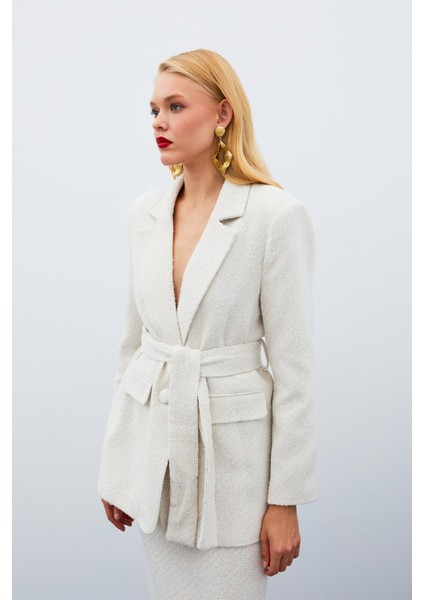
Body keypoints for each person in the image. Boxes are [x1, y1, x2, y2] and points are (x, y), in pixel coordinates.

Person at [97, 48, 317, 600]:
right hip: (156, 467)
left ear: (222, 113)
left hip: (234, 475)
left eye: (176, 106)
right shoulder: (145, 214)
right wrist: (120, 467)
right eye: (153, 110)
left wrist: (284, 499)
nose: (159, 122)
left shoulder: (275, 217)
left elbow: (294, 372)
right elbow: (133, 350)